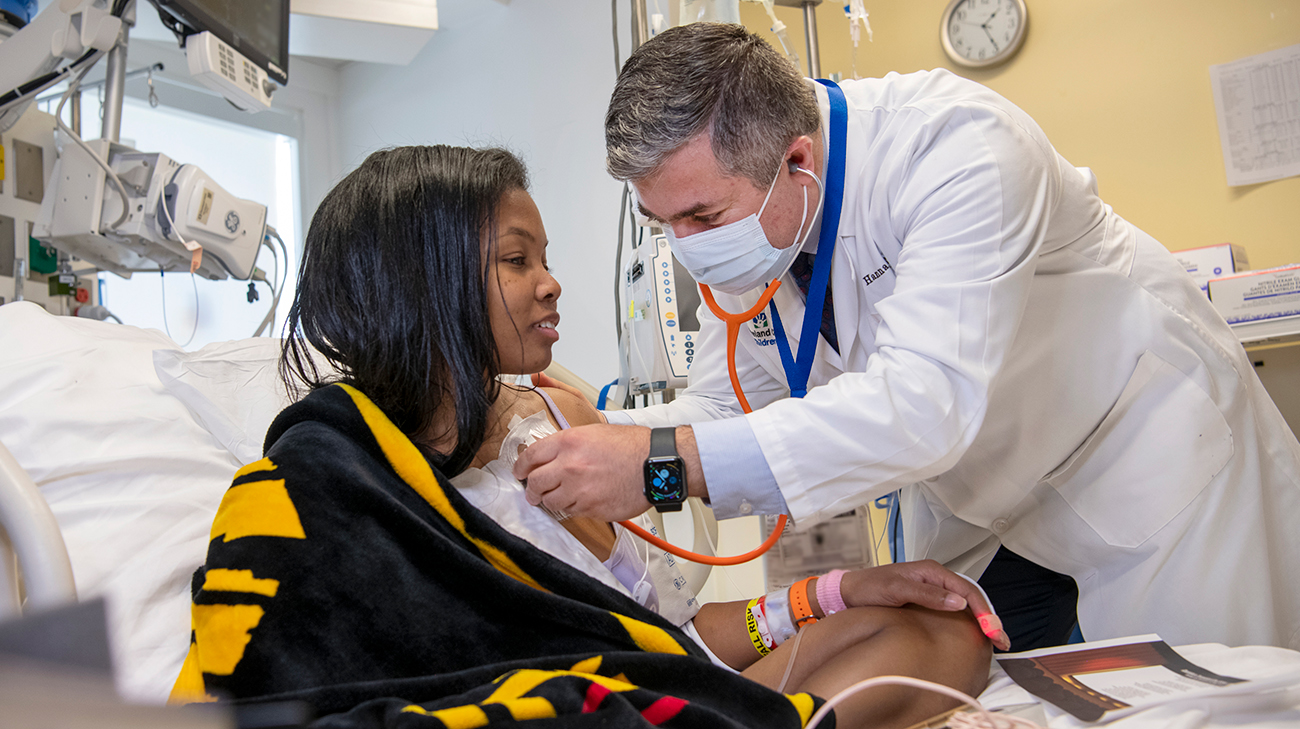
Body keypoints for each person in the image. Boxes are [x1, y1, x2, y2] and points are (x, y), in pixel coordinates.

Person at [515, 23, 1300, 653]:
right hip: (981, 497)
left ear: (797, 162)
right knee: (964, 682)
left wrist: (660, 466)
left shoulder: (959, 149)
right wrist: (587, 438)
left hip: (1139, 446)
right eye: (663, 222)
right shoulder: (757, 230)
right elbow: (730, 407)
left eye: (700, 218)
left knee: (1207, 693)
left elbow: (922, 405)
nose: (685, 249)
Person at [170, 144, 996, 729]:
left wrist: (835, 593)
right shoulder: (327, 477)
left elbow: (659, 639)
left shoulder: (554, 421)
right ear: (421, 286)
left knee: (947, 634)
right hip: (573, 708)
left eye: (545, 256)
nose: (551, 282)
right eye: (516, 260)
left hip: (658, 691)